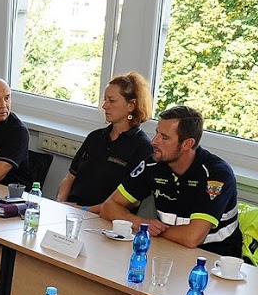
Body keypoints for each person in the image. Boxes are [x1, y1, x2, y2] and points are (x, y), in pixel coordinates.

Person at [99, 105, 242, 258]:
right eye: (156, 133)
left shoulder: (216, 175)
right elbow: (108, 207)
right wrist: (139, 223)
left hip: (215, 260)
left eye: (164, 138)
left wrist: (151, 230)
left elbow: (192, 238)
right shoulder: (153, 164)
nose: (154, 142)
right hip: (169, 249)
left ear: (187, 144)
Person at [54, 72, 154, 211]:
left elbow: (131, 201)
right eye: (105, 100)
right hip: (72, 210)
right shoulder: (95, 137)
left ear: (131, 105)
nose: (104, 106)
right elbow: (70, 177)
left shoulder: (142, 147)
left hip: (104, 217)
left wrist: (85, 210)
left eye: (111, 101)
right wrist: (60, 203)